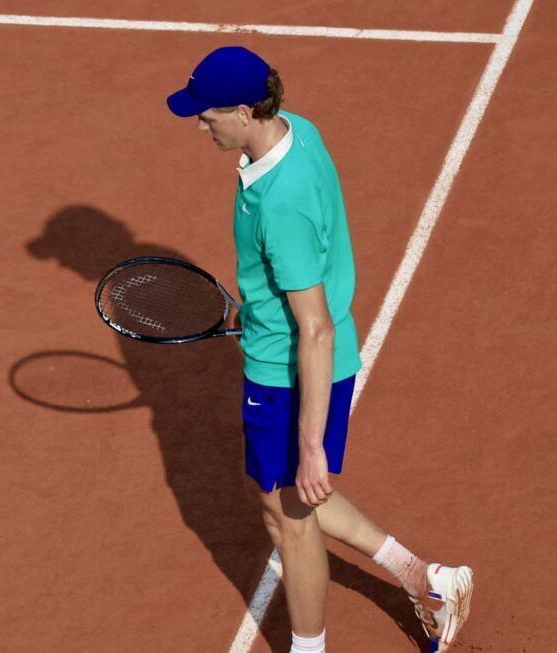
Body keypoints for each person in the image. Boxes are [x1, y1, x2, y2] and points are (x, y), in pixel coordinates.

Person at [166, 46, 473, 653]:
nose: (200, 124)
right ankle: (426, 579)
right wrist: (254, 309)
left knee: (290, 520)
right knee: (286, 500)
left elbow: (315, 331)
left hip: (290, 371)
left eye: (209, 115)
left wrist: (310, 448)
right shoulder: (296, 129)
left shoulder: (280, 206)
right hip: (304, 350)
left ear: (247, 110)